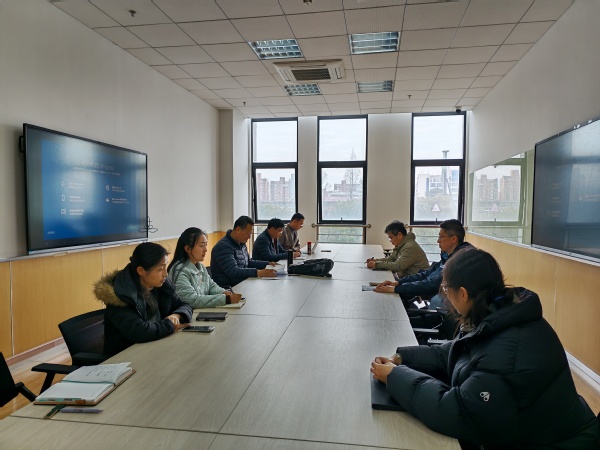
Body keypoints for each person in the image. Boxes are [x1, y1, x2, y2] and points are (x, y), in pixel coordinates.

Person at [370, 248, 599, 449]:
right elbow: (454, 351)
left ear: (463, 293)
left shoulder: (507, 349)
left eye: (446, 288)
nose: (445, 294)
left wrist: (396, 377)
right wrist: (402, 358)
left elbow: (459, 412)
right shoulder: (497, 312)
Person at [94, 242, 192, 356]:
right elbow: (140, 332)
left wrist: (176, 315)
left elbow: (184, 305)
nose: (165, 274)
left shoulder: (160, 284)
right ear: (141, 271)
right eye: (160, 269)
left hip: (154, 347)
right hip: (127, 357)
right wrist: (170, 324)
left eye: (166, 267)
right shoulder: (122, 294)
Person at [375, 219, 472, 308]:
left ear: (454, 239)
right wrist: (399, 282)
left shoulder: (459, 260)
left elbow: (433, 284)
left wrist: (396, 288)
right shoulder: (448, 256)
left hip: (441, 300)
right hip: (426, 287)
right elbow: (426, 274)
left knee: (436, 301)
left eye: (441, 237)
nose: (438, 241)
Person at [167, 227, 243, 308]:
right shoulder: (179, 270)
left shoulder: (201, 266)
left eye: (206, 245)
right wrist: (225, 299)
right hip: (188, 314)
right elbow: (192, 300)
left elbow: (211, 286)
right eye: (201, 245)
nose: (205, 250)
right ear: (188, 249)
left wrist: (224, 292)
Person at [210, 215, 277, 288]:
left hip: (243, 283)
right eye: (248, 233)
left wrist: (268, 264)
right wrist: (258, 272)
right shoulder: (223, 247)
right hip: (228, 288)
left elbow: (249, 263)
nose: (249, 237)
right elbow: (233, 271)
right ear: (238, 230)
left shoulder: (241, 243)